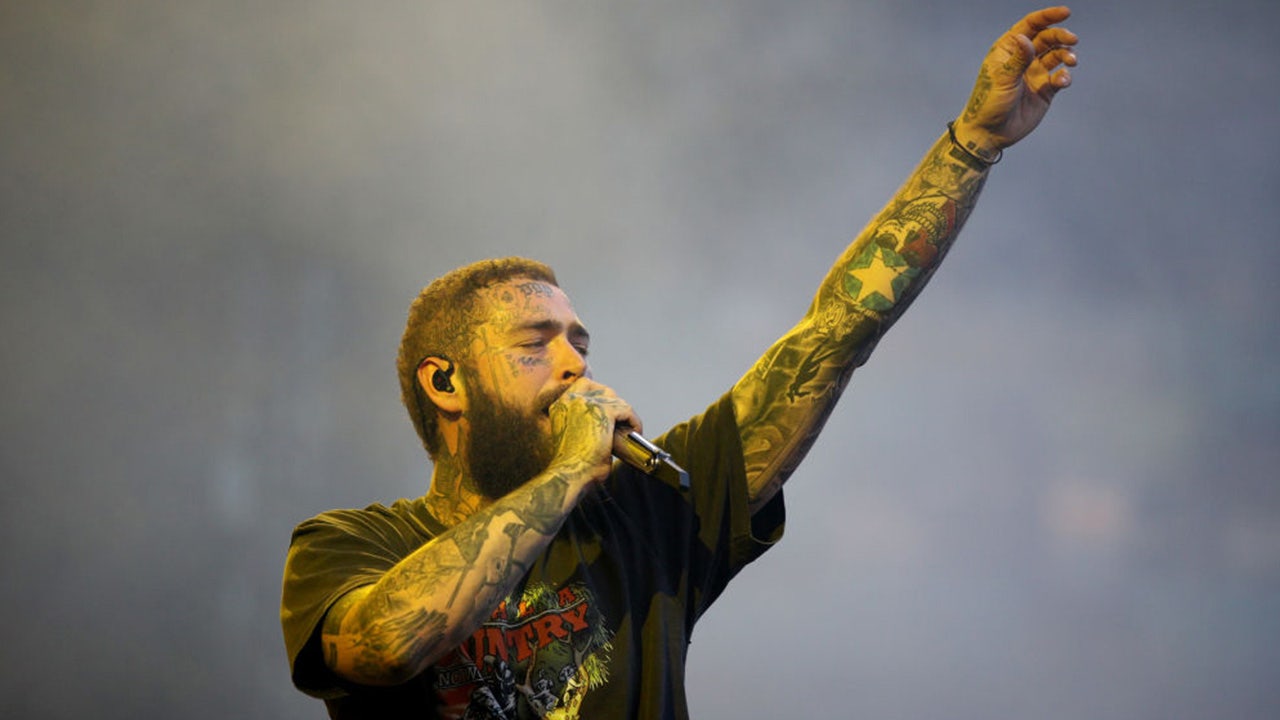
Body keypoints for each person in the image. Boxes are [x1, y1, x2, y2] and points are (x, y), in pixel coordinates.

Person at [281, 7, 1078, 718]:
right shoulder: (348, 544)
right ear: (445, 382)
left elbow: (836, 333)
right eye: (534, 343)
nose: (572, 364)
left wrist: (972, 145)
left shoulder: (649, 511)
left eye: (579, 343)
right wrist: (570, 470)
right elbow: (387, 647)